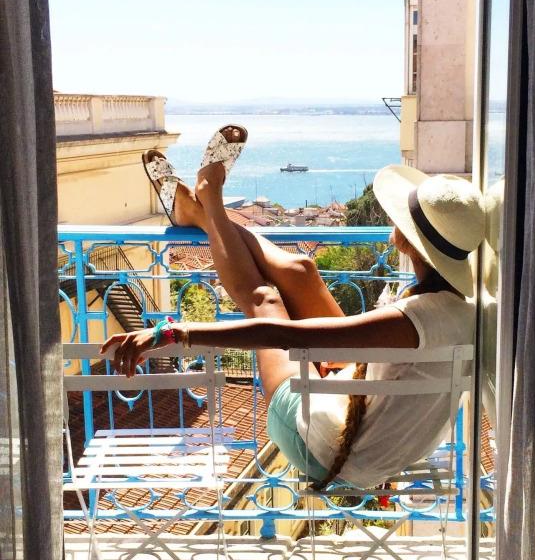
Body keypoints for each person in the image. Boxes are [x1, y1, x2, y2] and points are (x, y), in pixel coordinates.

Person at [102, 126, 485, 489]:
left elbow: (282, 334)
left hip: (324, 446)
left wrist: (173, 332)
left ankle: (207, 200)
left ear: (408, 241)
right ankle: (203, 210)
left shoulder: (416, 318)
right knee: (303, 270)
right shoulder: (459, 309)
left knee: (265, 299)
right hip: (364, 424)